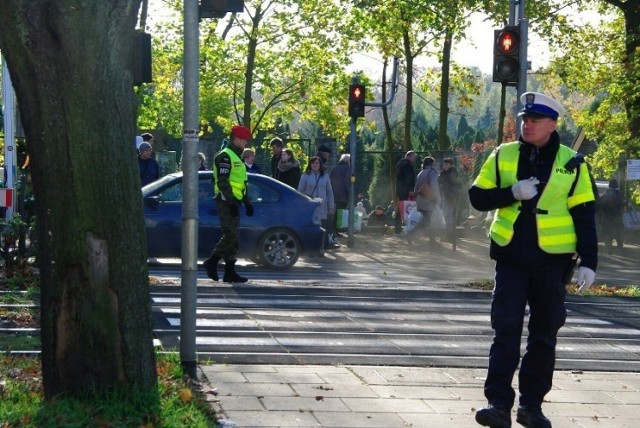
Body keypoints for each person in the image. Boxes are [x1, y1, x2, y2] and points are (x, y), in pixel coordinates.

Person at [469, 92, 598, 428]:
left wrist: (589, 261)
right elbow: (477, 197)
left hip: (553, 263)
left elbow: (585, 215)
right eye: (524, 119)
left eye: (534, 120)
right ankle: (498, 404)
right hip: (511, 259)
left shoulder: (573, 162)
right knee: (506, 331)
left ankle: (532, 407)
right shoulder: (503, 155)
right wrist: (510, 193)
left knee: (544, 336)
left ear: (552, 125)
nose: (526, 124)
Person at [202, 125, 254, 283]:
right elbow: (223, 181)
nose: (246, 142)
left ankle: (229, 272)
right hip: (226, 201)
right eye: (244, 139)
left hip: (234, 201)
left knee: (234, 236)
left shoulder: (236, 156)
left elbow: (240, 182)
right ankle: (212, 261)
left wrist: (247, 202)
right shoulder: (225, 156)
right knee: (230, 235)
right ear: (237, 139)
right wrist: (231, 201)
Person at [298, 156, 337, 249]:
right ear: (310, 164)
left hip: (323, 208)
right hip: (310, 207)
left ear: (320, 165)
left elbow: (329, 192)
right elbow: (300, 191)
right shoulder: (305, 176)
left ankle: (320, 247)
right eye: (313, 163)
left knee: (322, 229)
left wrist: (331, 207)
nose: (314, 165)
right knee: (311, 229)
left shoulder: (325, 176)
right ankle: (310, 247)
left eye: (317, 163)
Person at [407, 156, 440, 245]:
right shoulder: (432, 173)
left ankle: (432, 240)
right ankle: (411, 235)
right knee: (426, 221)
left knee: (427, 220)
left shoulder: (420, 173)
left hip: (420, 200)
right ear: (431, 164)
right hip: (428, 201)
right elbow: (435, 187)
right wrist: (438, 199)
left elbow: (416, 188)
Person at [438, 157, 462, 244]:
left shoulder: (453, 173)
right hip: (445, 198)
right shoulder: (443, 173)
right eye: (443, 164)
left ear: (451, 165)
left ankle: (450, 236)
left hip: (451, 199)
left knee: (449, 218)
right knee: (447, 217)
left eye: (446, 164)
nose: (444, 166)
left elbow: (457, 186)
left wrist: (452, 196)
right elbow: (439, 182)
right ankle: (450, 236)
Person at [598, 178, 624, 253]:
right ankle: (619, 246)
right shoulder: (619, 195)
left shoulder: (605, 195)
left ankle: (608, 247)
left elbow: (600, 205)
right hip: (617, 217)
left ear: (609, 185)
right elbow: (621, 204)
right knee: (618, 232)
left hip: (607, 217)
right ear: (616, 185)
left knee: (607, 233)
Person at [394, 151, 417, 234]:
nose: (414, 159)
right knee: (405, 209)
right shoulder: (407, 165)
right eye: (414, 157)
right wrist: (411, 190)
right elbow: (409, 178)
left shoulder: (401, 164)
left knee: (400, 209)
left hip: (401, 190)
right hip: (405, 191)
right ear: (409, 156)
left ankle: (397, 228)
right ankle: (401, 229)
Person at [330, 154, 351, 237]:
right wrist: (350, 194)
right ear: (348, 160)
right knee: (340, 213)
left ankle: (333, 230)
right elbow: (347, 182)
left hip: (333, 194)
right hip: (342, 195)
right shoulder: (347, 169)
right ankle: (337, 231)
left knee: (334, 213)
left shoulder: (335, 168)